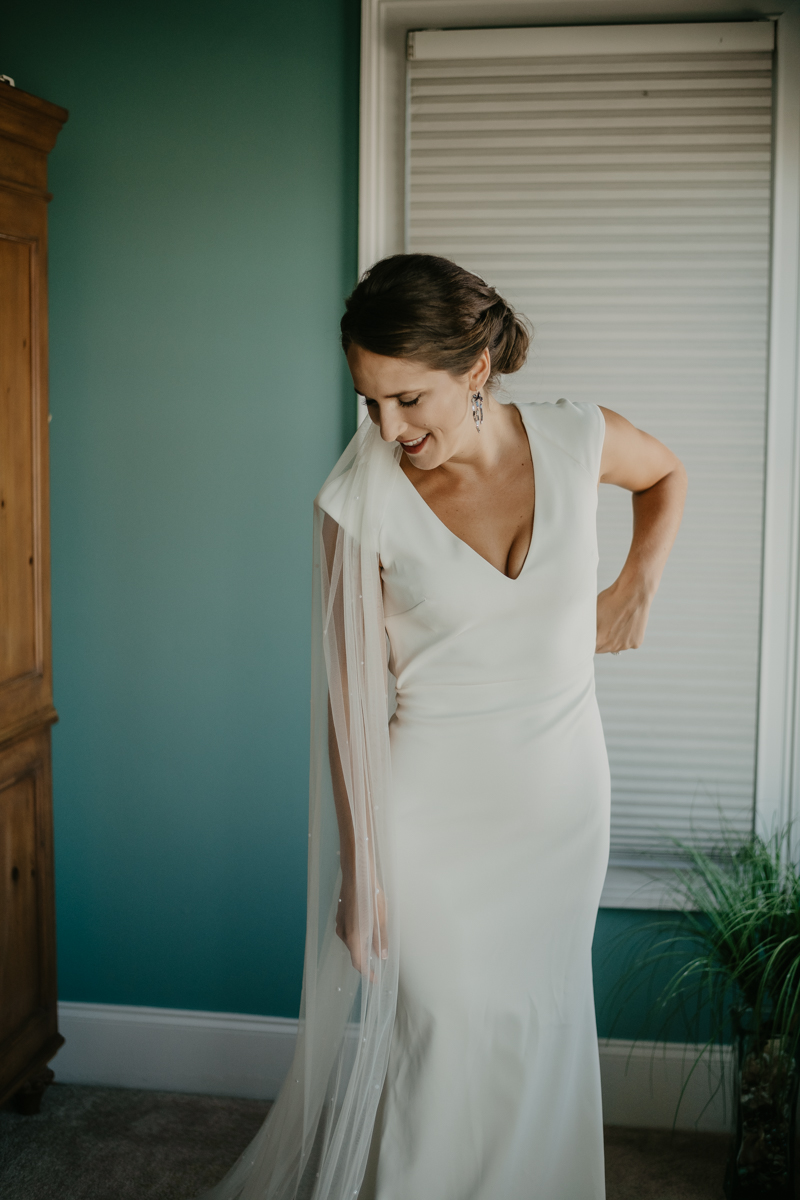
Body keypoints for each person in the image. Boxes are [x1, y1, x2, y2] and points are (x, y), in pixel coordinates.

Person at [198, 254, 686, 1200]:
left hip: (560, 805)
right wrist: (362, 864)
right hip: (431, 817)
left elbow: (665, 473)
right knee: (445, 1049)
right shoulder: (357, 500)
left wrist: (635, 587)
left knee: (540, 1032)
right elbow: (350, 700)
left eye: (408, 399)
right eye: (369, 402)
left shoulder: (580, 438)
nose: (389, 428)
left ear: (477, 371)